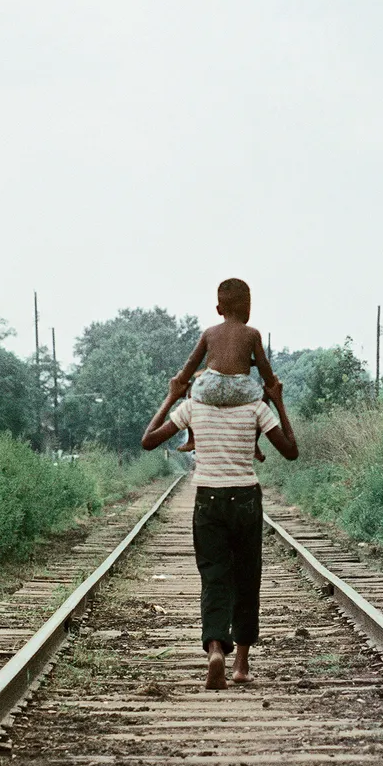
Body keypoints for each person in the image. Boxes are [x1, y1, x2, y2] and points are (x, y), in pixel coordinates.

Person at [142, 281, 298, 690]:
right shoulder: (256, 406)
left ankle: (215, 649)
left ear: (217, 308)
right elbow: (291, 451)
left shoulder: (194, 404)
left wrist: (172, 395)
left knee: (215, 578)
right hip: (245, 497)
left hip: (207, 498)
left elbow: (148, 440)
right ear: (248, 308)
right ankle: (241, 665)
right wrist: (278, 400)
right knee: (247, 579)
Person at [173, 278, 280, 460]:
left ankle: (192, 438)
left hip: (211, 388)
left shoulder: (209, 333)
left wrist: (182, 380)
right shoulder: (252, 334)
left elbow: (193, 361)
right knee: (263, 401)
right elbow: (263, 364)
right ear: (248, 308)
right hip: (241, 389)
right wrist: (271, 383)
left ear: (219, 309)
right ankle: (253, 443)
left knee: (192, 393)